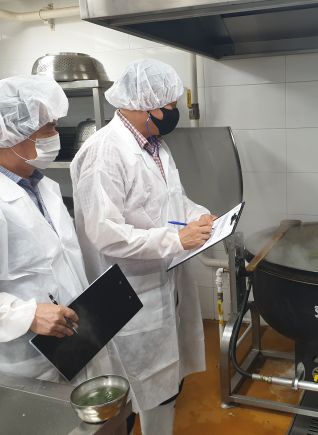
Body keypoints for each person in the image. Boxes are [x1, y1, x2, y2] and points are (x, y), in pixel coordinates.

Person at [70, 59, 215, 435]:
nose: (173, 112)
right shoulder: (104, 152)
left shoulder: (155, 145)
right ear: (142, 104)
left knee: (164, 386)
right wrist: (175, 239)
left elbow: (173, 201)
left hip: (163, 280)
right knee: (134, 390)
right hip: (128, 292)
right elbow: (106, 233)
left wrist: (199, 217)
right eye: (168, 106)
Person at [0, 76, 121, 385]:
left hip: (72, 346)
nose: (55, 137)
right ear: (6, 133)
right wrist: (25, 315)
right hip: (18, 365)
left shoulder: (42, 186)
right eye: (47, 129)